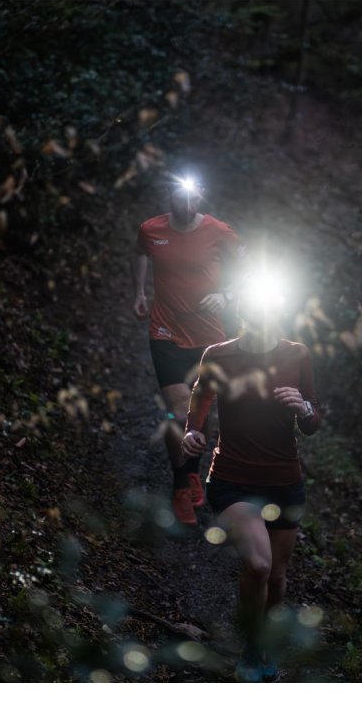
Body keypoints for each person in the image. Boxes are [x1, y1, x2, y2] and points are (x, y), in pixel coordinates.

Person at [182, 271, 322, 682]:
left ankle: (265, 644)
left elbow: (314, 420)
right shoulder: (218, 355)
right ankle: (250, 647)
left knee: (276, 577)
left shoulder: (297, 355)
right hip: (232, 479)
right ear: (243, 312)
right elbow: (200, 397)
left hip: (284, 481)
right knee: (259, 565)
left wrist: (304, 409)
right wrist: (192, 431)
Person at [132, 174, 247, 525]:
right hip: (165, 332)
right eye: (181, 197)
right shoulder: (151, 229)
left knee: (201, 411)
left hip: (209, 338)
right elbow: (140, 253)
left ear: (201, 198)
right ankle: (181, 483)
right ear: (169, 195)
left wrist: (227, 294)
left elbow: (249, 265)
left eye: (194, 197)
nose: (188, 204)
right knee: (180, 412)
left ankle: (193, 470)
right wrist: (139, 292)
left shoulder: (218, 231)